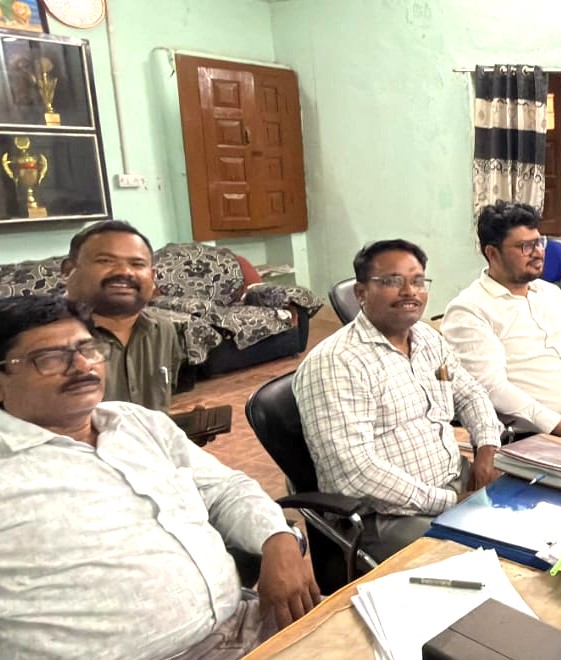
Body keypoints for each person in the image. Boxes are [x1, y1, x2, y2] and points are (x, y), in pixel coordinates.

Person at [0, 294, 318, 659]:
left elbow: (225, 489)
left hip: (250, 622)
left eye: (87, 348)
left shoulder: (137, 422)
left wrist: (277, 538)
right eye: (50, 357)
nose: (82, 365)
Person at [293, 240, 503, 559]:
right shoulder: (337, 363)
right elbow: (355, 473)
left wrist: (487, 448)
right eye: (393, 281)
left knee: (535, 516)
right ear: (361, 293)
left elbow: (469, 394)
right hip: (389, 517)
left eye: (417, 281)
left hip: (455, 482)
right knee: (497, 556)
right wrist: (449, 502)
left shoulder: (427, 339)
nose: (409, 291)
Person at [443, 201, 561, 437]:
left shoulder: (548, 292)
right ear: (492, 253)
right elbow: (494, 389)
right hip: (544, 435)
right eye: (525, 246)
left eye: (540, 242)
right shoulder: (469, 310)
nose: (538, 252)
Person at [62, 220, 184, 412]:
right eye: (106, 261)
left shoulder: (162, 330)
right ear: (69, 270)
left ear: (152, 276)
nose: (124, 271)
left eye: (137, 264)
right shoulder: (42, 338)